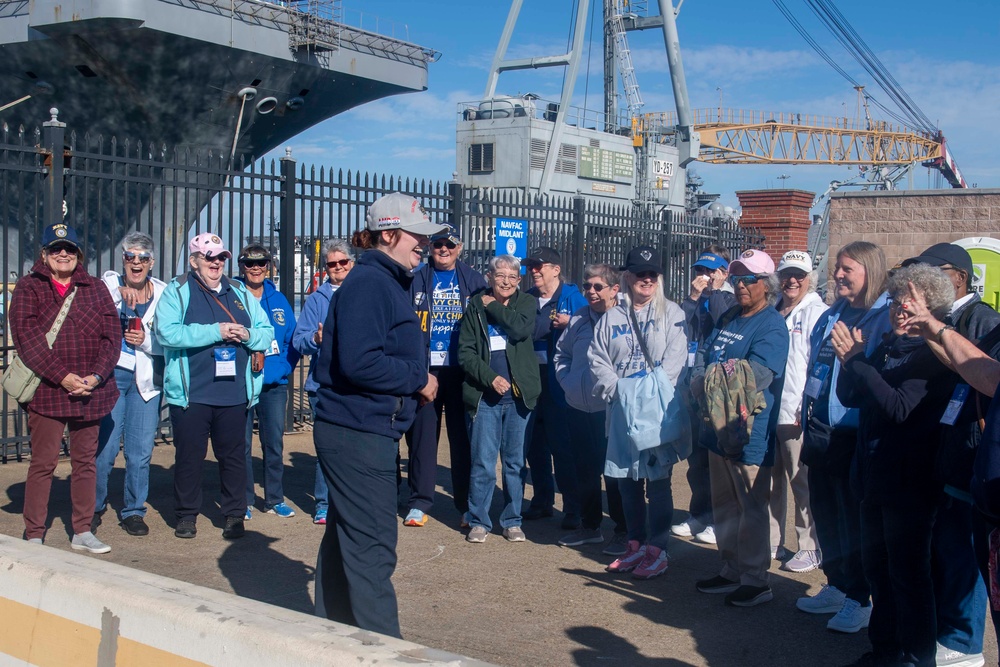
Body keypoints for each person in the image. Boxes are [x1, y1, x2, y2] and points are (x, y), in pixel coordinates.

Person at [312, 192, 444, 637]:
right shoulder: (371, 283)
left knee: (348, 538)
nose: (423, 245)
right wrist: (417, 378)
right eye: (416, 236)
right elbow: (360, 361)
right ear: (389, 234)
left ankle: (333, 639)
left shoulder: (385, 280)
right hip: (357, 431)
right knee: (372, 548)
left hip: (359, 428)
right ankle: (383, 650)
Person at [834, 263, 957, 667]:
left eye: (910, 306)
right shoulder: (889, 343)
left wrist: (858, 361)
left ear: (933, 310)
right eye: (896, 304)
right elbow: (855, 398)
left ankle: (917, 656)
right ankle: (884, 651)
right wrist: (848, 361)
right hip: (873, 475)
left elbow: (899, 408)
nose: (899, 312)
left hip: (911, 484)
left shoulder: (934, 354)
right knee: (878, 571)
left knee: (909, 576)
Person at [900, 244, 1000, 667]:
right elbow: (971, 370)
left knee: (967, 563)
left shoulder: (982, 319)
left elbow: (983, 378)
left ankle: (964, 642)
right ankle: (954, 635)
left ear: (956, 276)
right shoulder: (954, 321)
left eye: (928, 273)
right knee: (955, 551)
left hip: (975, 454)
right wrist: (931, 329)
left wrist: (935, 330)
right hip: (961, 458)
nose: (918, 284)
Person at [9, 222, 121, 553]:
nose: (63, 254)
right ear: (44, 254)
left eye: (69, 248)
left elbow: (112, 337)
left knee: (85, 461)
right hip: (48, 390)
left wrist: (96, 377)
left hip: (90, 390)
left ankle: (83, 530)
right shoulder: (29, 288)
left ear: (78, 254)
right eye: (56, 248)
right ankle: (34, 533)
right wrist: (63, 376)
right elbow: (28, 342)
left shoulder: (95, 287)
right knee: (43, 463)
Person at [796, 241, 889, 633]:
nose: (838, 275)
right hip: (821, 432)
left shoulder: (884, 317)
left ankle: (860, 599)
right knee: (826, 514)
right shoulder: (832, 314)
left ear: (869, 270)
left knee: (854, 522)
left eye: (847, 268)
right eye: (837, 268)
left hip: (856, 436)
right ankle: (837, 584)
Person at [155, 233, 274, 541]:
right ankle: (186, 515)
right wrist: (216, 331)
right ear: (195, 261)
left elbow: (265, 332)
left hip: (234, 393)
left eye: (221, 257)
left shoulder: (239, 291)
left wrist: (246, 334)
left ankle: (235, 515)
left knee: (234, 456)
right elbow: (166, 333)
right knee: (189, 458)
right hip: (192, 393)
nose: (216, 263)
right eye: (209, 258)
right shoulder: (177, 290)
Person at [692, 249, 789, 607]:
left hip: (747, 431)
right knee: (725, 504)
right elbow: (706, 352)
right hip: (716, 427)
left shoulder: (772, 326)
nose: (741, 285)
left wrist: (708, 382)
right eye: (736, 278)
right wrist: (702, 377)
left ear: (767, 285)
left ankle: (755, 578)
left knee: (750, 506)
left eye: (749, 279)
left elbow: (758, 376)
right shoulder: (731, 315)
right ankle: (731, 568)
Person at [590, 246, 689, 580]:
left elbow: (675, 363)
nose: (646, 280)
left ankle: (658, 549)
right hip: (620, 412)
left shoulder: (672, 313)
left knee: (658, 482)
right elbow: (597, 358)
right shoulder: (611, 318)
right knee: (626, 483)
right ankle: (635, 543)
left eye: (652, 275)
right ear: (627, 277)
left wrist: (643, 395)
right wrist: (619, 390)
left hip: (655, 412)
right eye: (639, 274)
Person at [405, 225, 487, 527]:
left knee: (462, 439)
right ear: (429, 247)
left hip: (461, 370)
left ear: (460, 247)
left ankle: (466, 504)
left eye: (449, 245)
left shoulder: (474, 281)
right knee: (422, 437)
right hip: (427, 371)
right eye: (438, 244)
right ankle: (419, 501)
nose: (443, 250)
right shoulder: (415, 280)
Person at [458, 254, 540, 544]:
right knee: (482, 461)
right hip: (486, 396)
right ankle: (479, 520)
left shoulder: (526, 303)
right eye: (500, 275)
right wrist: (488, 377)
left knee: (515, 463)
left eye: (511, 277)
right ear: (489, 277)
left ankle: (512, 520)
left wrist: (492, 304)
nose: (505, 281)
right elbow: (465, 352)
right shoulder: (473, 307)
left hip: (519, 398)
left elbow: (519, 329)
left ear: (519, 281)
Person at [93, 232, 168, 537]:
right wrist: (117, 298)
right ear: (122, 259)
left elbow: (170, 340)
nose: (136, 262)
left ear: (152, 262)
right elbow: (92, 319)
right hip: (112, 377)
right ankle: (93, 506)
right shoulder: (108, 286)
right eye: (130, 256)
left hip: (145, 380)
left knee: (140, 452)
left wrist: (147, 340)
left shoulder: (164, 294)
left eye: (142, 257)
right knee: (105, 448)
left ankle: (134, 510)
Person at [553, 264, 629, 556]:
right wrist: (567, 381)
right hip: (577, 405)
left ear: (614, 289)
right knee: (585, 470)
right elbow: (563, 353)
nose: (591, 292)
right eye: (587, 286)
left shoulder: (625, 319)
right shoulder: (579, 319)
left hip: (609, 409)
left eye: (598, 286)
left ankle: (623, 530)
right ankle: (590, 526)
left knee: (615, 473)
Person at [767, 250, 828, 571]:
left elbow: (819, 365)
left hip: (795, 412)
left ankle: (809, 546)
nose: (792, 281)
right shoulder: (773, 309)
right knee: (770, 481)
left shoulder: (817, 313)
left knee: (801, 482)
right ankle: (772, 541)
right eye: (787, 274)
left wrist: (807, 406)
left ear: (810, 279)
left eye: (799, 276)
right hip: (767, 411)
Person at [673, 245, 735, 545]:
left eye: (711, 272)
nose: (705, 277)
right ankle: (699, 514)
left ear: (723, 274)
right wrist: (695, 297)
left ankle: (718, 519)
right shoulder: (695, 299)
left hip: (718, 386)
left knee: (717, 459)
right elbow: (678, 327)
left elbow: (726, 322)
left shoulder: (729, 298)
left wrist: (715, 293)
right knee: (696, 458)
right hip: (691, 383)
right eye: (700, 271)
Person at [522, 246, 587, 528]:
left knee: (563, 447)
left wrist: (570, 323)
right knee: (535, 445)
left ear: (556, 270)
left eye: (539, 266)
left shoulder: (574, 299)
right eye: (531, 266)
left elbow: (591, 329)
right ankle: (542, 501)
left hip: (559, 381)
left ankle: (573, 508)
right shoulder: (526, 299)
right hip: (531, 378)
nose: (534, 271)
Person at [291, 238, 354, 525]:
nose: (338, 267)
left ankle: (353, 502)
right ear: (325, 268)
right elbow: (298, 340)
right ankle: (324, 503)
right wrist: (316, 339)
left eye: (343, 262)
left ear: (352, 263)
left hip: (357, 386)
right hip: (323, 385)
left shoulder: (363, 293)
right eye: (332, 264)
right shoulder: (316, 299)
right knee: (327, 448)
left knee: (356, 448)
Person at [236, 244, 300, 520]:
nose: (256, 268)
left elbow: (293, 339)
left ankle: (274, 498)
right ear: (241, 267)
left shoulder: (279, 299)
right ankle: (244, 500)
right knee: (241, 444)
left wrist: (284, 367)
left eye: (261, 263)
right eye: (250, 264)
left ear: (269, 266)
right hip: (241, 382)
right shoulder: (232, 296)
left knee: (273, 443)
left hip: (274, 384)